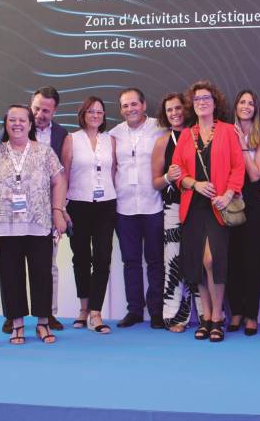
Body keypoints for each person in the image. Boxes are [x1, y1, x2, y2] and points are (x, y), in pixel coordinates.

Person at [172, 81, 245, 342]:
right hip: (193, 206)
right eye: (197, 99)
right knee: (198, 264)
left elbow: (239, 167)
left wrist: (228, 194)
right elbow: (178, 173)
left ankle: (218, 316)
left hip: (218, 206)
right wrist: (195, 184)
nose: (202, 102)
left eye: (206, 98)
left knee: (212, 260)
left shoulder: (227, 131)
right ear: (193, 105)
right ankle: (208, 317)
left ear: (215, 103)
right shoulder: (185, 135)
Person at [0, 105, 67, 345]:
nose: (17, 124)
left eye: (22, 120)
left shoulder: (44, 151)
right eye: (12, 119)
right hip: (4, 224)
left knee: (42, 273)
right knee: (10, 275)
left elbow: (59, 180)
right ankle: (17, 324)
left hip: (39, 222)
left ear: (30, 123)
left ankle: (43, 323)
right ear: (6, 124)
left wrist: (57, 211)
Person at [110, 88, 166, 329]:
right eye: (125, 106)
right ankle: (134, 310)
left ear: (144, 105)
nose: (130, 109)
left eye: (134, 104)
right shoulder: (114, 134)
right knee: (130, 261)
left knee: (155, 261)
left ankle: (156, 311)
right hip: (124, 207)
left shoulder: (160, 129)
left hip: (153, 204)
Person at [61, 96, 117, 334]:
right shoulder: (71, 139)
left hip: (106, 204)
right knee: (81, 257)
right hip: (78, 204)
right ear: (83, 114)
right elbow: (64, 174)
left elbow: (113, 172)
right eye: (91, 111)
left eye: (100, 112)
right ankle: (83, 308)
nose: (96, 115)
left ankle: (96, 312)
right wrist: (61, 208)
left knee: (103, 258)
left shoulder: (110, 140)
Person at [152, 93, 202, 333]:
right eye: (169, 110)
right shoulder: (163, 141)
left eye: (178, 108)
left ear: (186, 109)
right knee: (173, 260)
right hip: (172, 207)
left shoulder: (199, 134)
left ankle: (208, 315)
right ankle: (173, 317)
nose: (174, 113)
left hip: (199, 206)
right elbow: (154, 182)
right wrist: (167, 178)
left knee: (202, 260)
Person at [226, 90, 260, 335]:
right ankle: (236, 312)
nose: (246, 106)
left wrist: (242, 145)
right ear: (235, 107)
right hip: (229, 201)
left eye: (250, 103)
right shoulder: (223, 133)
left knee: (251, 261)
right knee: (232, 259)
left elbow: (255, 174)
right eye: (242, 102)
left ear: (256, 109)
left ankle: (252, 315)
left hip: (254, 203)